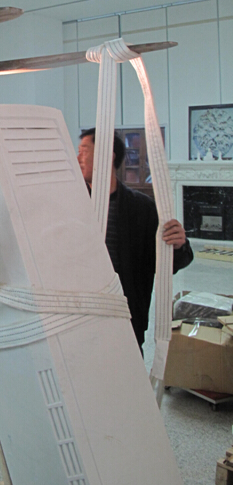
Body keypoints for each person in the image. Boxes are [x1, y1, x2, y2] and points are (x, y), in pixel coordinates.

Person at [77, 127, 193, 350]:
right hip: (80, 321)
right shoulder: (73, 205)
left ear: (107, 156)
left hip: (127, 321)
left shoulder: (141, 208)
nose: (77, 158)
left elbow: (167, 265)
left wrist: (179, 245)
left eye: (84, 151)